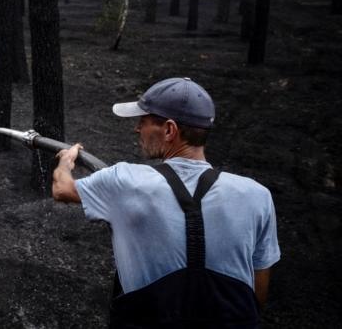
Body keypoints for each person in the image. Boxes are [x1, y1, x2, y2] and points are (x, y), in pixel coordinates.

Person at [52, 77, 280, 328]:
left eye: (144, 121)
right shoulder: (257, 195)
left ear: (170, 130)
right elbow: (258, 287)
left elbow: (62, 189)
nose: (137, 129)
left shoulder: (124, 180)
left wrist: (66, 161)